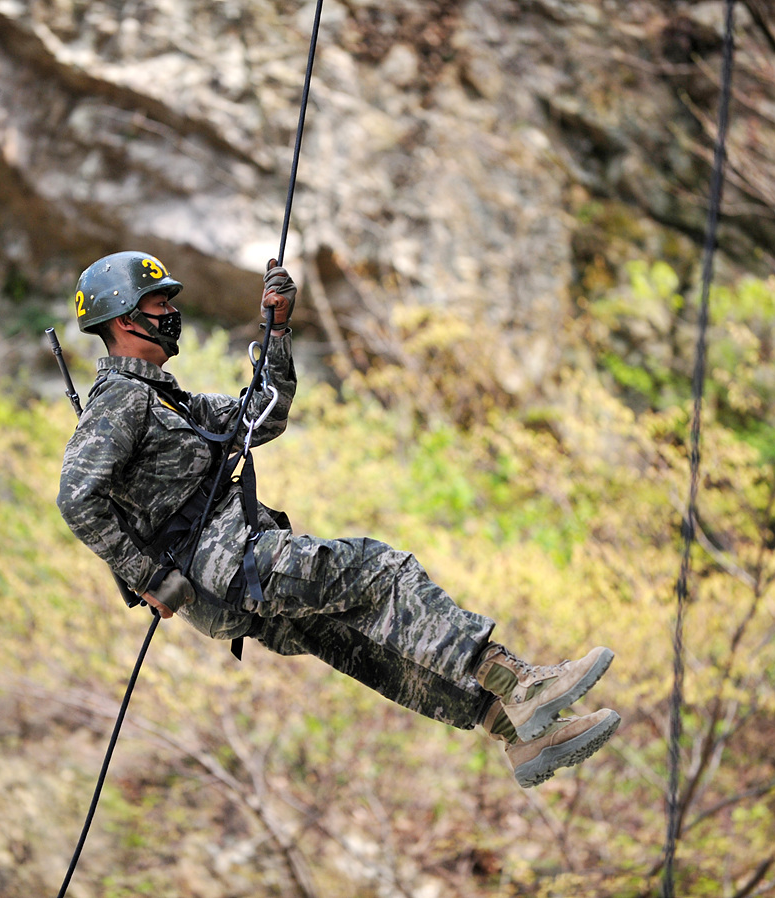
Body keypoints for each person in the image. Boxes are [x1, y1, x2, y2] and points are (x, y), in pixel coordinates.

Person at [56, 251, 621, 787]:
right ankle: (519, 684)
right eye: (160, 304)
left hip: (223, 587)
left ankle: (518, 733)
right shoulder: (121, 399)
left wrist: (276, 331)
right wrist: (150, 578)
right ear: (128, 320)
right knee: (380, 572)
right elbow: (77, 497)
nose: (172, 312)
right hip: (226, 564)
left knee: (366, 642)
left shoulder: (169, 400)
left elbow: (263, 414)